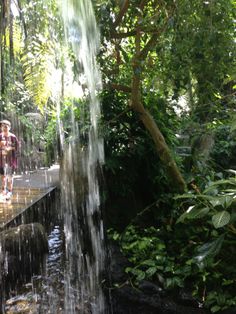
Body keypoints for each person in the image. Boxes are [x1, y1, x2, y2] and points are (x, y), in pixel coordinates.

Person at [0, 119, 19, 200]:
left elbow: (17, 147)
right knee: (3, 176)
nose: (4, 129)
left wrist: (10, 148)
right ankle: (3, 191)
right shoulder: (0, 136)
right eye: (3, 127)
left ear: (9, 128)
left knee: (10, 176)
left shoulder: (13, 137)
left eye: (6, 127)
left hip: (11, 160)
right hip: (1, 160)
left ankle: (10, 191)